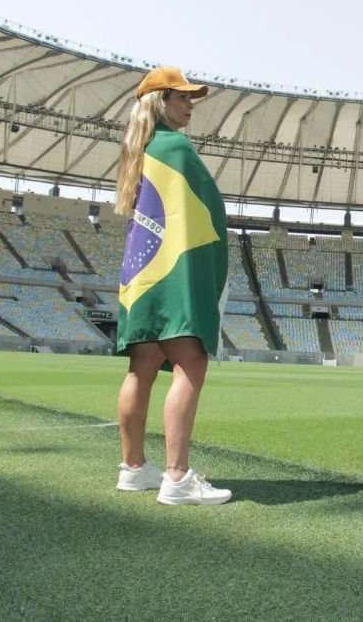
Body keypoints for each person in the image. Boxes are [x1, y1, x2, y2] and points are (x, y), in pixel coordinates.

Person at [113, 66, 232, 506]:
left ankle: (133, 469)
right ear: (160, 102)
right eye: (181, 98)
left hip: (141, 275)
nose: (190, 105)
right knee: (191, 365)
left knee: (140, 370)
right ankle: (178, 477)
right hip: (174, 272)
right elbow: (206, 212)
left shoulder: (139, 150)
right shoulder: (177, 146)